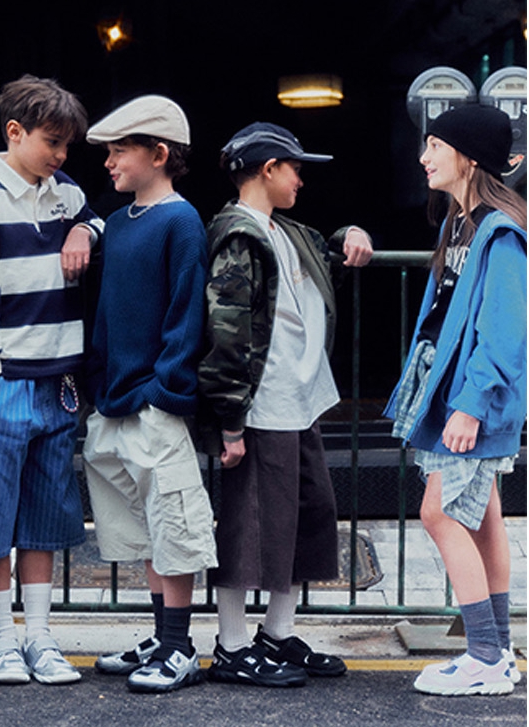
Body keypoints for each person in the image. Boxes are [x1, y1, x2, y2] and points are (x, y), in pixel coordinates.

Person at [197, 122, 373, 688]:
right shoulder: (238, 236)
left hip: (301, 400)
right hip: (263, 405)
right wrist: (230, 420)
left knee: (306, 515)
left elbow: (328, 249)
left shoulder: (287, 231)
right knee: (248, 526)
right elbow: (227, 333)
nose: (301, 179)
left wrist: (351, 233)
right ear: (268, 169)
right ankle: (231, 646)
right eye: (295, 168)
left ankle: (276, 633)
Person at [0, 74, 102, 686]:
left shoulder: (67, 194)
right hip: (6, 377)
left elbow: (99, 222)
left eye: (66, 145)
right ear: (15, 132)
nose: (61, 154)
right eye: (51, 142)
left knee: (45, 509)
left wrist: (84, 229)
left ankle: (38, 636)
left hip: (59, 377)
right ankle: (1, 640)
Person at [385, 104, 526, 696]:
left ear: (467, 157)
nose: (424, 158)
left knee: (439, 513)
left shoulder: (501, 231)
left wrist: (470, 405)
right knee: (484, 518)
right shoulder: (459, 225)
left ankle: (485, 657)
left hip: (472, 402)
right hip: (454, 394)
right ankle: (499, 652)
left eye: (435, 146)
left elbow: (506, 332)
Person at [82, 95, 218, 694]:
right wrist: (99, 384)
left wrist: (166, 391)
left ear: (159, 154)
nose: (109, 162)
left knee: (173, 523)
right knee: (143, 524)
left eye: (120, 151)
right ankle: (163, 636)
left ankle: (180, 646)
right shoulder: (116, 222)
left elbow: (187, 315)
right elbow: (107, 313)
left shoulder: (182, 222)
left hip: (155, 401)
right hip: (115, 399)